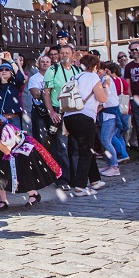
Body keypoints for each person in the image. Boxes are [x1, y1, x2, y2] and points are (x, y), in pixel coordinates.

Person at [0, 110, 61, 210]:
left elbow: (6, 151)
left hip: (22, 150)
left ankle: (33, 194)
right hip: (5, 151)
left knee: (20, 172)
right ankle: (3, 201)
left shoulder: (6, 129)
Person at [61, 54, 107, 195]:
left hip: (69, 117)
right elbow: (102, 98)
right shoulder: (93, 77)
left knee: (86, 148)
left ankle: (95, 180)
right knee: (85, 152)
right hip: (84, 117)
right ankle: (79, 187)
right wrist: (105, 88)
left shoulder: (75, 77)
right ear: (95, 66)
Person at [42, 43, 81, 189]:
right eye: (62, 53)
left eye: (67, 53)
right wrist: (51, 112)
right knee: (61, 146)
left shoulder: (77, 70)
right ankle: (63, 179)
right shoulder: (53, 69)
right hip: (59, 110)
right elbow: (46, 92)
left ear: (72, 55)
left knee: (75, 145)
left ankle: (76, 177)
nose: (64, 55)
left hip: (74, 110)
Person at [97, 62, 126, 178]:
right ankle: (109, 164)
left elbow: (104, 97)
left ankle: (114, 166)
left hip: (110, 113)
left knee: (106, 140)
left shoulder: (106, 78)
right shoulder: (100, 79)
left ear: (105, 70)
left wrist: (96, 110)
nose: (98, 72)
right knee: (103, 140)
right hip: (104, 114)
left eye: (100, 70)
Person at [28, 54, 52, 143]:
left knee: (55, 138)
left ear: (51, 64)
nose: (45, 64)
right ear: (38, 64)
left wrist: (44, 91)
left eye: (47, 62)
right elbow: (36, 95)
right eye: (42, 62)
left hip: (54, 110)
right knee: (39, 138)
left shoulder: (55, 77)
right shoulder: (34, 78)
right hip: (39, 111)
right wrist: (50, 91)